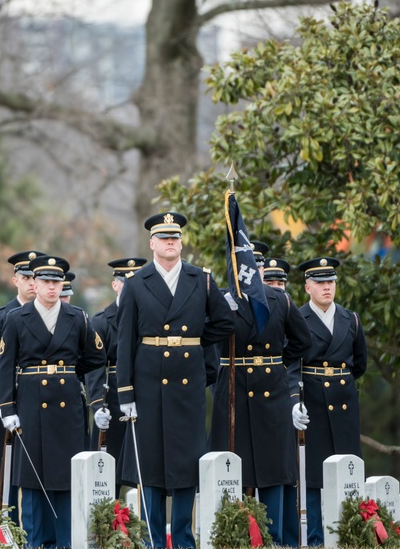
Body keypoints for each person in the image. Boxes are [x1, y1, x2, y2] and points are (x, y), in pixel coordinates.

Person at [116, 212, 237, 549]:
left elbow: (225, 322)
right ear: (152, 243)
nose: (171, 243)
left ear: (181, 243)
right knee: (151, 467)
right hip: (148, 383)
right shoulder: (137, 283)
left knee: (186, 463)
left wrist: (195, 342)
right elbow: (125, 341)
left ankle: (183, 538)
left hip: (187, 383)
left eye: (176, 237)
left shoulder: (202, 279)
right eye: (164, 238)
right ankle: (155, 539)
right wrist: (125, 391)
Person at [0, 255, 105, 549]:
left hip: (66, 407)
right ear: (34, 283)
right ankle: (35, 543)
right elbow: (4, 366)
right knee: (32, 483)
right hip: (30, 406)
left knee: (66, 479)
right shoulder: (16, 318)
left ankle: (64, 542)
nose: (51, 288)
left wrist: (68, 374)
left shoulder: (77, 316)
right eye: (45, 281)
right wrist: (7, 408)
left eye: (56, 282)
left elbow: (96, 357)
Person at [208, 244, 311, 544]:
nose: (254, 272)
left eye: (258, 266)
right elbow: (208, 338)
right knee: (232, 470)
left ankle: (273, 538)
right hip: (233, 392)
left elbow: (302, 342)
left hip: (272, 395)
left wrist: (275, 362)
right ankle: (235, 537)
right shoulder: (222, 301)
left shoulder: (281, 300)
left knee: (273, 471)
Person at [282, 256, 366, 547]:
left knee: (347, 471)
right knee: (313, 477)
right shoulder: (298, 318)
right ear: (307, 287)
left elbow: (359, 365)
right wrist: (295, 400)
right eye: (320, 282)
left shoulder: (350, 318)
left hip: (344, 402)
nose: (326, 287)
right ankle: (316, 538)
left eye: (330, 281)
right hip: (313, 402)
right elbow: (291, 366)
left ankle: (349, 534)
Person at [0, 250, 42, 519]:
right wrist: (4, 404)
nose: (31, 282)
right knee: (9, 475)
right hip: (9, 403)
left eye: (35, 277)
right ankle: (11, 527)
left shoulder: (49, 313)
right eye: (25, 277)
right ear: (15, 280)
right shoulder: (1, 316)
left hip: (40, 403)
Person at [85, 256, 146, 491]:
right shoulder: (101, 321)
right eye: (124, 281)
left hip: (143, 394)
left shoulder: (149, 319)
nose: (129, 286)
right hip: (112, 400)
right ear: (115, 285)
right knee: (108, 473)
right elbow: (94, 368)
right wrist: (98, 404)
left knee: (144, 469)